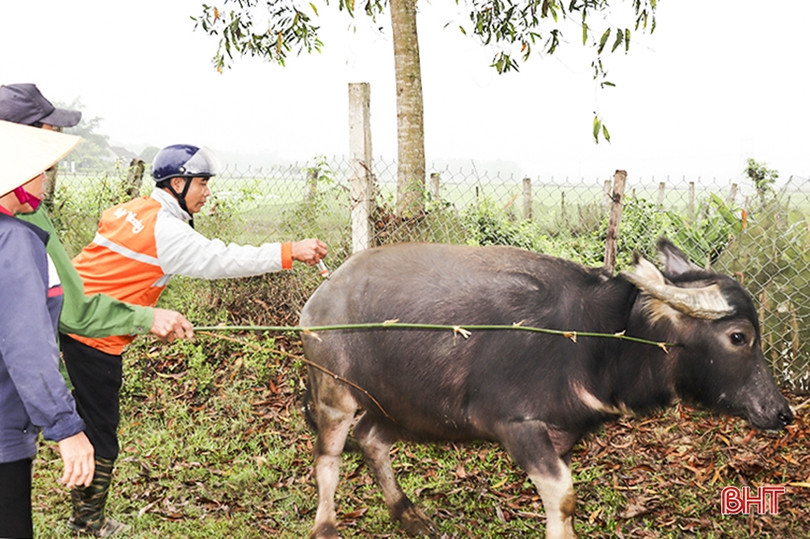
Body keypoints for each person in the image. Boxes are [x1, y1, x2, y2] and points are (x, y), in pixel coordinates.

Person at [63, 143, 328, 533]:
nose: (207, 192)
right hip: (93, 338)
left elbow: (109, 269)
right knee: (99, 433)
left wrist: (143, 318)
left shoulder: (135, 209)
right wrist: (290, 251)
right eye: (202, 183)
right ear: (177, 183)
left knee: (75, 422)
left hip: (71, 318)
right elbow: (223, 259)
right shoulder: (166, 229)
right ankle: (87, 522)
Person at [1, 83, 195, 536]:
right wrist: (65, 428)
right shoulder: (18, 233)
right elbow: (39, 332)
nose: (51, 168)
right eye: (47, 143)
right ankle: (88, 520)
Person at [0, 120, 95, 539]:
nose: (44, 180)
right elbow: (27, 346)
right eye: (38, 170)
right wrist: (66, 428)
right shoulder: (15, 242)